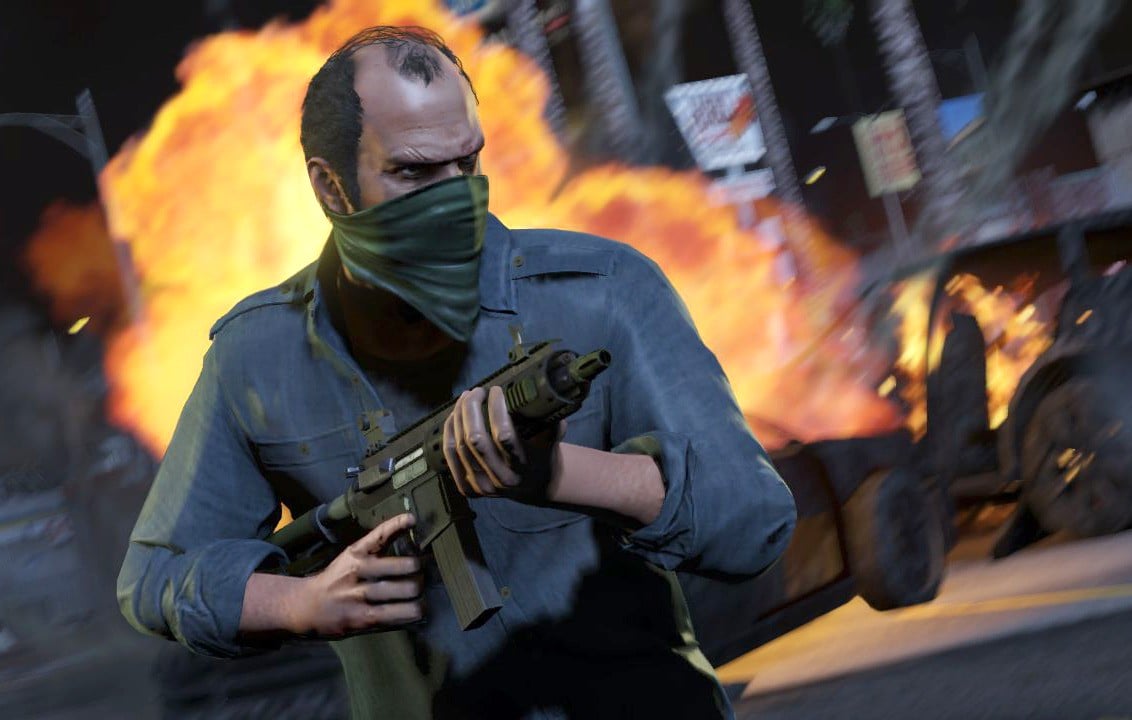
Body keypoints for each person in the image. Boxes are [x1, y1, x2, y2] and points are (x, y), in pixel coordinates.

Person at [117, 25, 796, 720]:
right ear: (330, 186)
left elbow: (754, 523)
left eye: (467, 163)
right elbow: (154, 576)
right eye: (413, 173)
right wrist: (302, 602)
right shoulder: (259, 354)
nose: (454, 198)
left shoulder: (602, 291)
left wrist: (559, 474)